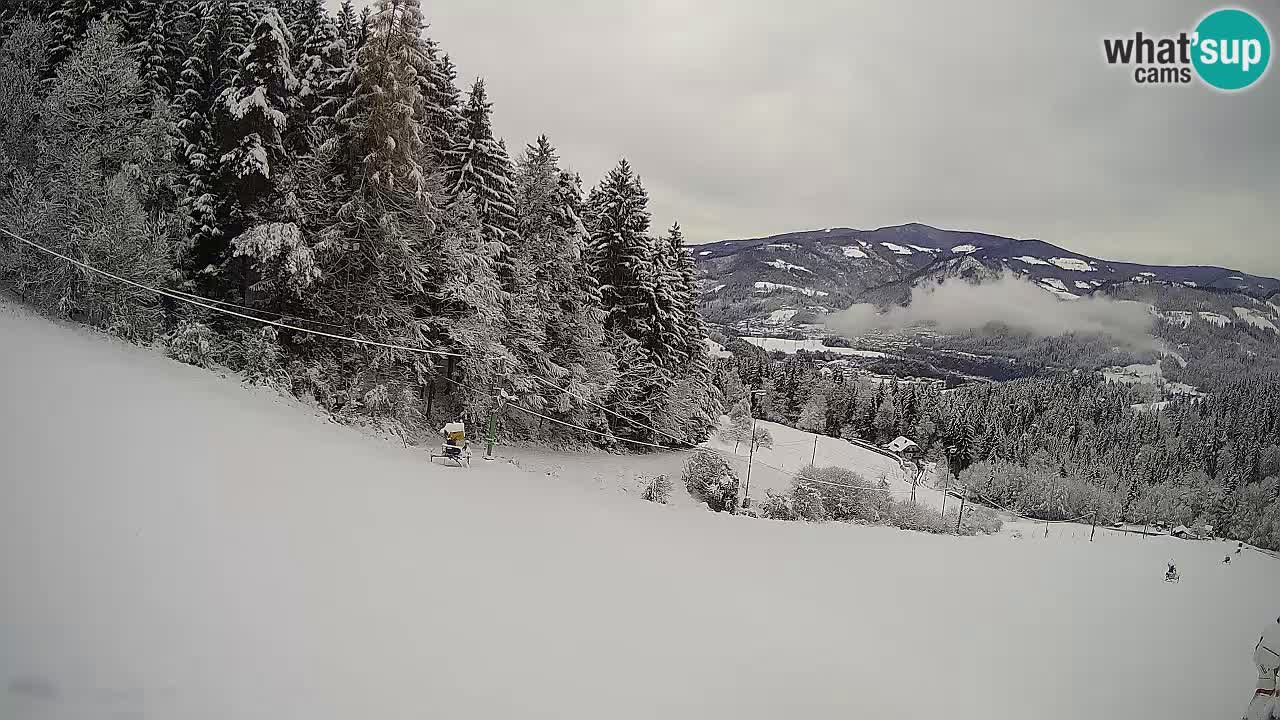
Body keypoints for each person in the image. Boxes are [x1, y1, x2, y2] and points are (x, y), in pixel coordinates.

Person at [1244, 617, 1280, 720]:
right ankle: (1275, 715)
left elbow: (1258, 647)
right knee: (1274, 690)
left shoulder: (1270, 628)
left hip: (1261, 660)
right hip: (1272, 661)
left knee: (1265, 690)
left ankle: (1250, 716)